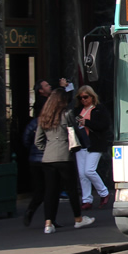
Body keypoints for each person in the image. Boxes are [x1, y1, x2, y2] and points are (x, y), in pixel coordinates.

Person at [35, 88, 95, 234]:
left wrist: (48, 149)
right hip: (64, 157)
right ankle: (78, 219)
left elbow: (38, 141)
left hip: (48, 158)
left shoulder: (44, 117)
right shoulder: (66, 115)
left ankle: (48, 223)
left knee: (50, 191)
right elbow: (75, 132)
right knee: (72, 189)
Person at [74, 85, 112, 209]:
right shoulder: (78, 110)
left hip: (95, 143)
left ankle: (104, 192)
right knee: (82, 174)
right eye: (81, 98)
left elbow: (104, 125)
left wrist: (87, 123)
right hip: (81, 144)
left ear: (92, 96)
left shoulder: (99, 109)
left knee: (89, 170)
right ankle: (87, 199)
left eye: (86, 97)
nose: (83, 100)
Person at [21, 115, 47, 227]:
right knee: (52, 189)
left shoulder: (35, 122)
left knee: (39, 189)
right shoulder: (55, 120)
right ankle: (50, 219)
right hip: (49, 158)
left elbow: (26, 138)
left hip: (35, 158)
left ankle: (30, 210)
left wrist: (32, 149)